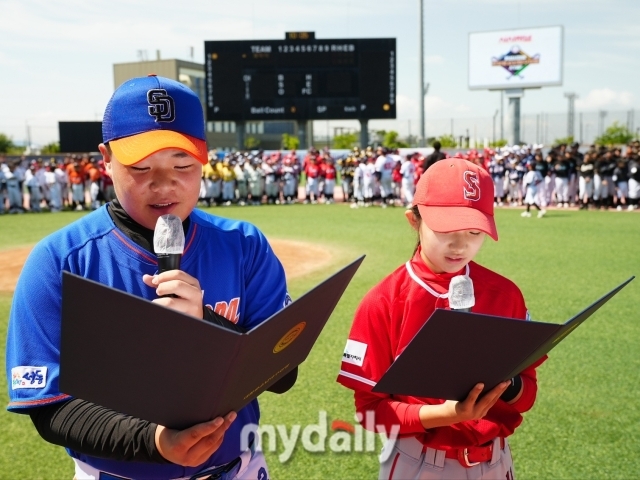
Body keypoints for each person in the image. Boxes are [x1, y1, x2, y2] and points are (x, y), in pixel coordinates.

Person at [6, 75, 296, 480]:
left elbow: (283, 376)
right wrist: (155, 441)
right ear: (105, 158)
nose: (164, 185)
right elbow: (48, 405)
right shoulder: (59, 260)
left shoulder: (243, 245)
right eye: (140, 168)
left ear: (204, 159)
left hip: (236, 469)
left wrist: (208, 325)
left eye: (183, 165)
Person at [337, 158, 545, 480]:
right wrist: (446, 414)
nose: (460, 244)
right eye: (446, 228)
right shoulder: (383, 302)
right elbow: (371, 414)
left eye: (475, 231)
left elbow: (526, 394)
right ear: (413, 220)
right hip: (419, 462)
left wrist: (506, 383)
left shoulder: (506, 294)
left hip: (496, 460)